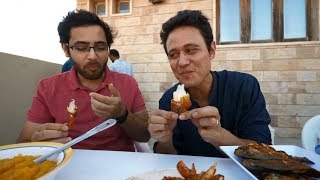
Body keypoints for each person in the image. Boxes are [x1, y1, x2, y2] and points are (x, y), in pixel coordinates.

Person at [17, 10, 150, 151]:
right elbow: (23, 141)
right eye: (81, 48)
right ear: (66, 49)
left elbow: (145, 135)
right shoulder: (48, 87)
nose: (92, 56)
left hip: (121, 167)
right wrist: (39, 141)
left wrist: (122, 114)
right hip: (67, 164)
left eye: (100, 47)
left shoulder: (128, 83)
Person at [148, 10, 271, 157]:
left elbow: (265, 152)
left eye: (191, 50)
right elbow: (167, 159)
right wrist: (165, 140)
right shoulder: (169, 99)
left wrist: (219, 136)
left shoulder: (244, 86)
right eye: (173, 55)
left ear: (211, 50)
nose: (182, 62)